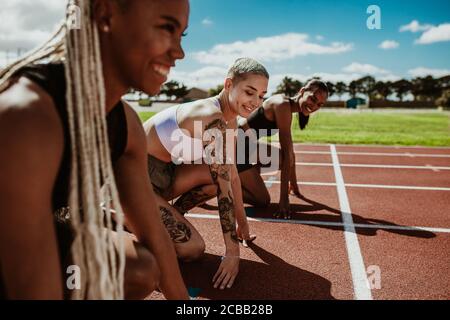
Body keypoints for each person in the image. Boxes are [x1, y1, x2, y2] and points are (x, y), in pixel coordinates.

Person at [0, 0, 190, 300]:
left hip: (30, 233)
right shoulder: (29, 117)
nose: (179, 52)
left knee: (138, 269)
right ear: (105, 14)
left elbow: (154, 235)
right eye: (167, 27)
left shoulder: (124, 123)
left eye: (182, 35)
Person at [143, 57, 268, 290]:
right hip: (132, 181)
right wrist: (232, 253)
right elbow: (224, 190)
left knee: (216, 177)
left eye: (261, 96)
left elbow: (230, 175)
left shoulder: (230, 121)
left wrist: (243, 223)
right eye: (249, 92)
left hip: (164, 175)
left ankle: (165, 219)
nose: (255, 102)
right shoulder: (210, 116)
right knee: (193, 249)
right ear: (229, 84)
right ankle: (111, 212)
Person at [237, 79, 328, 219]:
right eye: (313, 98)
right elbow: (287, 154)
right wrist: (284, 200)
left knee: (280, 158)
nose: (314, 106)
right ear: (302, 91)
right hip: (236, 147)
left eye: (319, 104)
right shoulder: (282, 105)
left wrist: (294, 186)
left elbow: (290, 153)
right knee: (263, 201)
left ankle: (241, 177)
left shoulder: (287, 108)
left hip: (247, 145)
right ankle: (221, 185)